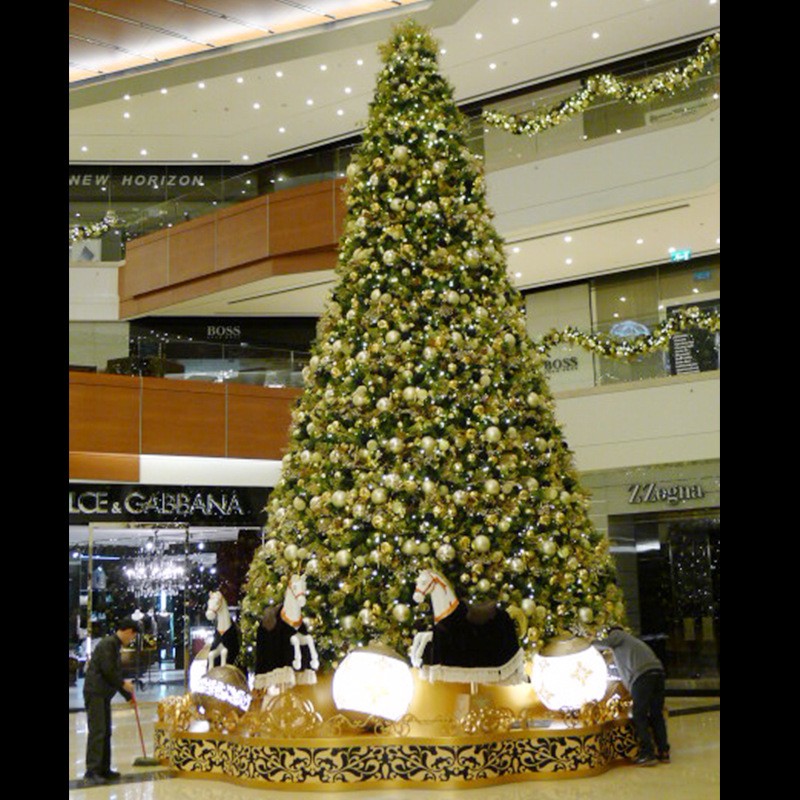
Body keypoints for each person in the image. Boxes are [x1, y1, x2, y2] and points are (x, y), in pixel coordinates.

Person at [594, 626, 670, 767]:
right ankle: (663, 751)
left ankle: (647, 753)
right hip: (658, 673)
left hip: (643, 676)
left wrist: (586, 643)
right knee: (656, 714)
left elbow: (604, 644)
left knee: (639, 714)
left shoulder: (619, 636)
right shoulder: (632, 643)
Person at [82, 617, 140, 785]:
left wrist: (128, 697)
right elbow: (108, 670)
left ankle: (104, 769)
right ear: (128, 632)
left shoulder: (114, 645)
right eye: (133, 636)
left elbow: (114, 673)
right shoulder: (108, 644)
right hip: (95, 693)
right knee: (98, 731)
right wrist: (123, 684)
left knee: (106, 731)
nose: (131, 640)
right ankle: (92, 772)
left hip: (103, 694)